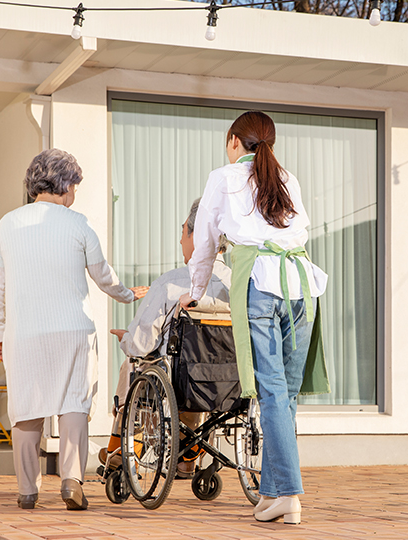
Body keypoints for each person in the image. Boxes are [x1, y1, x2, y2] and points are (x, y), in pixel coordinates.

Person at [180, 111, 330, 525]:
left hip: (260, 284)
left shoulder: (224, 177)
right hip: (302, 286)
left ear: (234, 141)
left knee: (273, 393)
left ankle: (289, 494)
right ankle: (272, 493)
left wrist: (196, 292)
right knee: (286, 396)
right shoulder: (287, 178)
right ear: (269, 144)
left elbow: (204, 243)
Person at [0, 149, 149, 511]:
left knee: (26, 408)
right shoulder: (78, 224)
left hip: (24, 333)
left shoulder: (7, 224)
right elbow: (103, 275)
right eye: (74, 186)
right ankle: (72, 480)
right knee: (74, 402)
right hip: (73, 331)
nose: (74, 193)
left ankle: (27, 490)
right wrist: (127, 294)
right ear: (65, 186)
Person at [104, 198, 231, 478]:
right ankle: (189, 454)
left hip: (179, 380)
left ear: (197, 236)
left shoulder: (172, 282)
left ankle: (122, 447)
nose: (180, 239)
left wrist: (126, 339)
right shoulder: (237, 285)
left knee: (135, 364)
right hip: (226, 383)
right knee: (195, 372)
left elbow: (142, 343)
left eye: (183, 231)